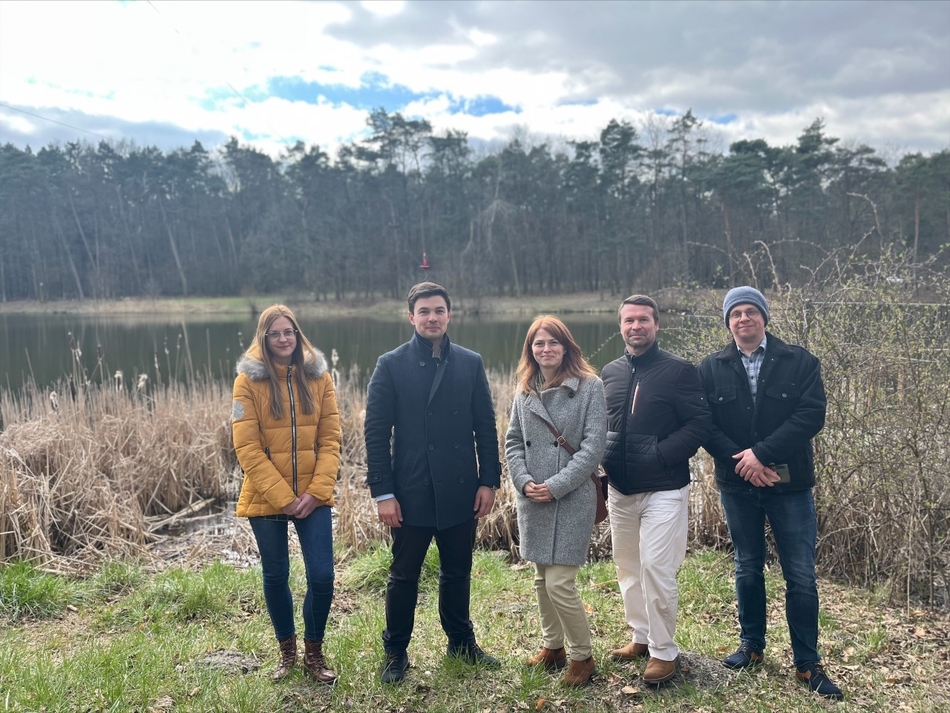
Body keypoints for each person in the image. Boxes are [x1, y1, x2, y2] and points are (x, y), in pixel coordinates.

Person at [697, 287, 843, 700]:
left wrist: (762, 454)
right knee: (747, 566)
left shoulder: (800, 361)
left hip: (791, 486)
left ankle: (807, 662)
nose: (744, 319)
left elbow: (810, 415)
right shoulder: (711, 367)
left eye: (751, 312)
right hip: (737, 486)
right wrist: (743, 462)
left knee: (800, 574)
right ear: (727, 322)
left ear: (764, 317)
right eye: (736, 314)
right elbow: (704, 424)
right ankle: (752, 646)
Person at [364, 281, 503, 684]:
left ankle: (461, 642)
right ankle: (395, 652)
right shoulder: (390, 364)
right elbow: (376, 433)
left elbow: (485, 427)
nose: (432, 318)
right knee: (404, 574)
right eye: (424, 311)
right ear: (411, 317)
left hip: (461, 488)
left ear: (449, 315)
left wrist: (488, 481)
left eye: (439, 310)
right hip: (410, 490)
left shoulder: (470, 362)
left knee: (458, 571)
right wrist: (383, 492)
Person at [601, 294, 712, 684]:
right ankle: (642, 636)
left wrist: (659, 454)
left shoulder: (679, 371)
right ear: (621, 326)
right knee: (628, 566)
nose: (636, 327)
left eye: (644, 320)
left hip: (664, 488)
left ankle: (665, 652)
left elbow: (699, 424)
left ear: (656, 325)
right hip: (619, 490)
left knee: (656, 567)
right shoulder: (610, 372)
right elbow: (602, 426)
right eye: (629, 320)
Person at [231, 304, 341, 685]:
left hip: (314, 495)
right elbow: (247, 449)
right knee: (276, 574)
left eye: (289, 332)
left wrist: (315, 492)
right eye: (275, 333)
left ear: (298, 335)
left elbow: (330, 440)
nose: (283, 339)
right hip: (266, 496)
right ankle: (287, 654)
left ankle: (314, 651)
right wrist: (284, 497)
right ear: (264, 338)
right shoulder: (248, 382)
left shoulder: (319, 377)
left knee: (323, 577)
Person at [506, 316, 607, 687]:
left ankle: (582, 656)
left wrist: (557, 485)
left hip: (570, 497)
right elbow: (513, 441)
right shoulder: (524, 389)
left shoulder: (589, 388)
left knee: (560, 582)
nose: (545, 349)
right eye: (538, 344)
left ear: (566, 347)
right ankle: (553, 648)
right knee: (540, 577)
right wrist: (523, 480)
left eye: (552, 343)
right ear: (530, 350)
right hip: (532, 496)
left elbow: (593, 447)